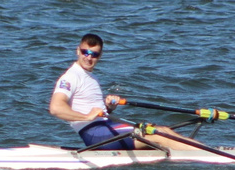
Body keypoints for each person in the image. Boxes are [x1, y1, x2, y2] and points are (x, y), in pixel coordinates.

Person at [48, 34, 201, 153]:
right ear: (77, 50)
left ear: (99, 56)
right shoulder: (71, 76)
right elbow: (56, 108)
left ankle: (202, 151)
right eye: (85, 52)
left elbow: (97, 110)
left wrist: (108, 108)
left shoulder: (91, 77)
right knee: (159, 133)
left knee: (164, 131)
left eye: (94, 54)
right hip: (95, 135)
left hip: (107, 127)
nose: (89, 57)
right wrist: (86, 117)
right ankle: (209, 156)